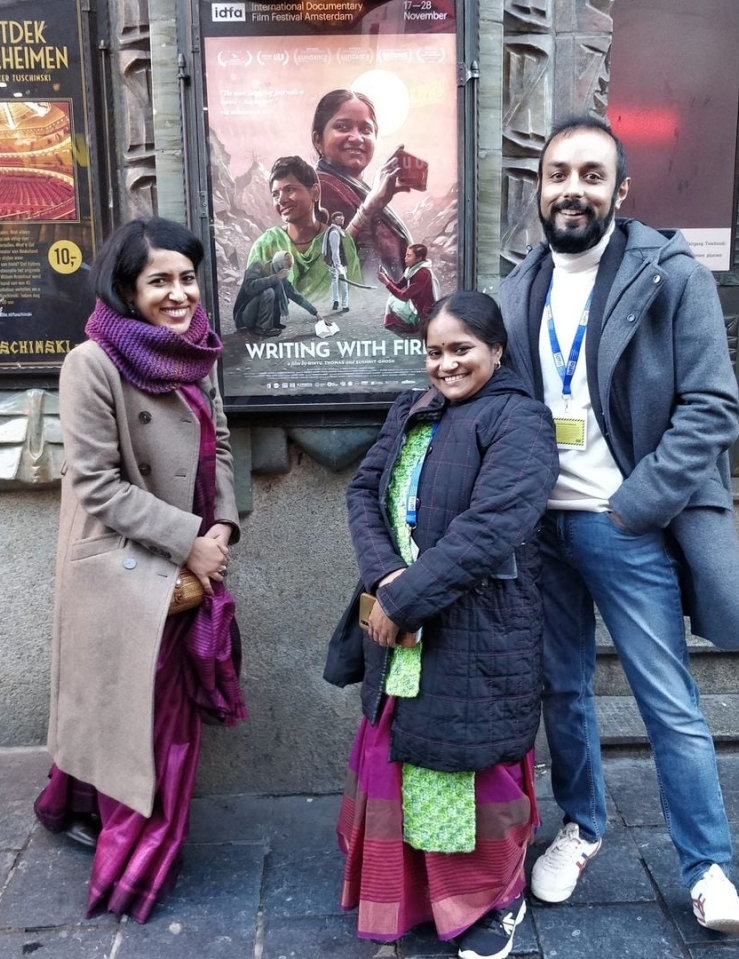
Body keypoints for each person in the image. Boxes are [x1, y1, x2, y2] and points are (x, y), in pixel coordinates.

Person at [499, 114, 739, 934]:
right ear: (538, 187)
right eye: (557, 173)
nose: (572, 188)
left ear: (620, 190)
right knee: (561, 689)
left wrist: (634, 504)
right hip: (542, 530)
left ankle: (708, 865)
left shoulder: (671, 274)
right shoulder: (516, 285)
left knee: (665, 697)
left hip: (624, 522)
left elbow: (712, 408)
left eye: (590, 175)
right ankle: (582, 825)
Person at [326, 291, 559, 959]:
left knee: (468, 764)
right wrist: (382, 578)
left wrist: (409, 597)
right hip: (401, 624)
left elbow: (493, 528)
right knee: (401, 758)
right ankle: (415, 900)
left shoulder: (519, 420)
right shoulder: (412, 408)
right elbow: (361, 493)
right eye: (433, 350)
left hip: (476, 629)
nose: (445, 363)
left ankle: (489, 902)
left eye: (461, 349)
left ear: (496, 351)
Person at [34, 217, 246, 923]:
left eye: (187, 277)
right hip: (126, 572)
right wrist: (190, 538)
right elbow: (95, 482)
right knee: (142, 726)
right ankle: (132, 869)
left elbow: (216, 443)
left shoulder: (196, 353)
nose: (179, 292)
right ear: (127, 287)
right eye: (160, 280)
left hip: (187, 561)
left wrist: (221, 523)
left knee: (144, 720)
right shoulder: (91, 363)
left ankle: (76, 810)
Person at [312, 89, 412, 277]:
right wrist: (369, 208)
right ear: (318, 140)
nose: (357, 138)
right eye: (342, 127)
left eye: (366, 130)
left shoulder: (363, 191)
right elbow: (320, 273)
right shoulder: (317, 191)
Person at [247, 156, 361, 302]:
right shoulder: (265, 246)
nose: (281, 200)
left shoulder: (341, 241)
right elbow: (251, 301)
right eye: (276, 195)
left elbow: (356, 297)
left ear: (314, 192)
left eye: (289, 189)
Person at [233, 251, 325, 336]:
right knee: (269, 292)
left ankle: (272, 323)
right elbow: (250, 287)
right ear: (278, 263)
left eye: (288, 269)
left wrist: (315, 313)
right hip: (245, 317)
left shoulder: (281, 280)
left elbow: (296, 296)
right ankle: (263, 328)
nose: (285, 272)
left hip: (256, 317)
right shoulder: (258, 265)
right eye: (284, 267)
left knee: (276, 290)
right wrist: (275, 278)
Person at [378, 242, 440, 334]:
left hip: (423, 311)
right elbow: (398, 286)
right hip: (415, 304)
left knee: (393, 300)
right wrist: (387, 278)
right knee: (392, 297)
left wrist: (386, 282)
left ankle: (411, 327)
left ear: (418, 258)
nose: (405, 258)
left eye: (409, 256)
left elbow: (404, 296)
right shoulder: (411, 270)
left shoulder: (423, 274)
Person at [323, 211, 350, 313]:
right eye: (339, 218)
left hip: (333, 263)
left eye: (342, 218)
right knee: (343, 283)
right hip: (337, 263)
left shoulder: (334, 231)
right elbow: (335, 252)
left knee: (334, 282)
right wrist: (339, 268)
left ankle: (336, 302)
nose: (342, 220)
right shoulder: (334, 232)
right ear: (333, 220)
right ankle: (345, 305)